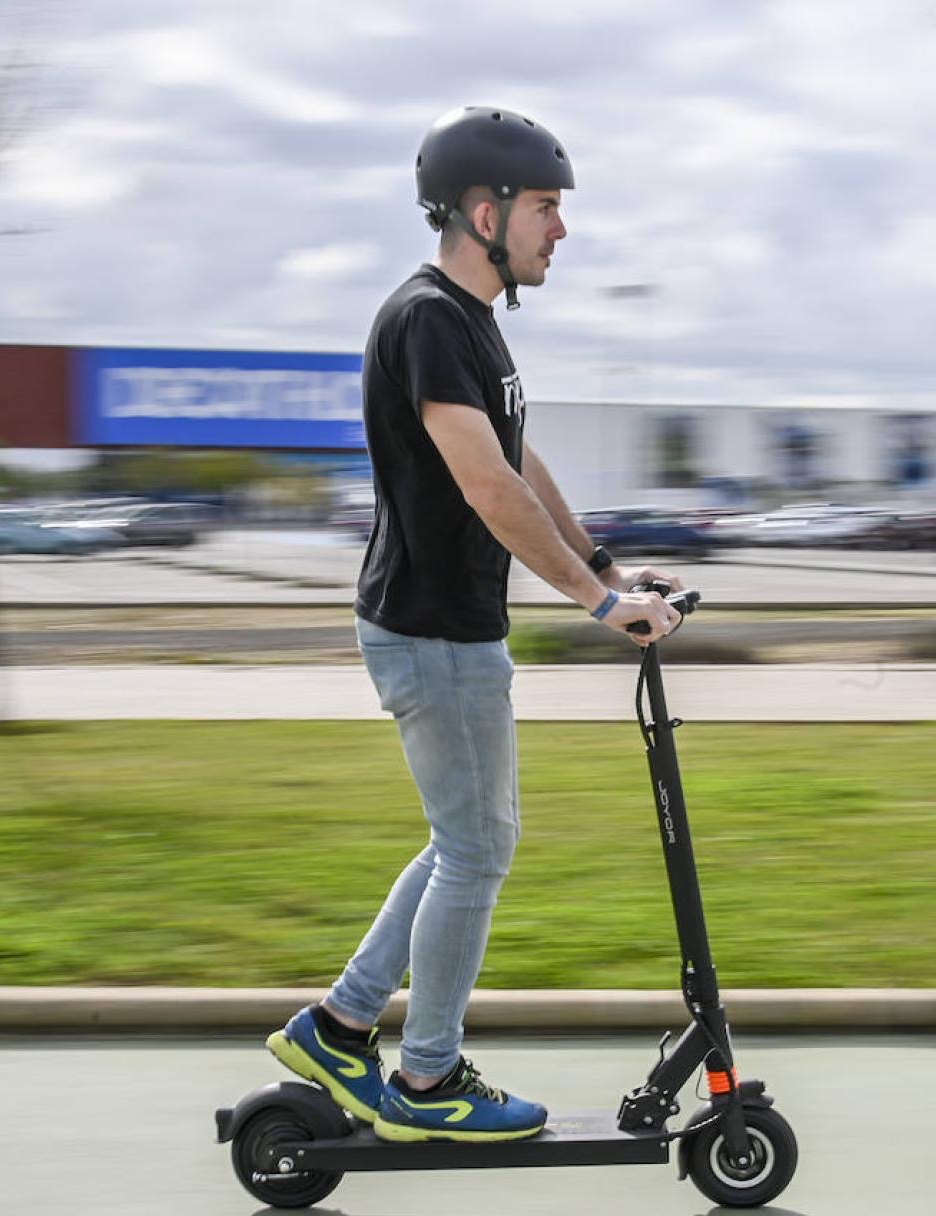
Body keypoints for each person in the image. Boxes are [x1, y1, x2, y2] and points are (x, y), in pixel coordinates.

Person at [266, 105, 684, 1144]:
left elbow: (521, 463)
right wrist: (598, 608)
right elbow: (489, 487)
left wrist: (601, 565)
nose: (562, 230)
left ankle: (340, 1022)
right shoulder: (426, 320)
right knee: (478, 846)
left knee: (468, 840)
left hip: (446, 627)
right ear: (484, 209)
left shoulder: (470, 324)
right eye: (547, 207)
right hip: (430, 629)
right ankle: (426, 1081)